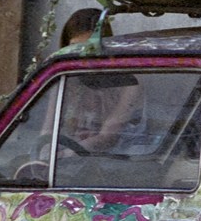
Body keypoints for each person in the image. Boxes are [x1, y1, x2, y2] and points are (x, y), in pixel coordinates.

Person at [58, 9, 143, 155]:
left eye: (91, 49)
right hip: (69, 155)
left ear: (105, 47)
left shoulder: (130, 80)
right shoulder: (61, 77)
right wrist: (45, 154)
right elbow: (47, 130)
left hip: (118, 158)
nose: (84, 56)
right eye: (76, 48)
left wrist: (64, 155)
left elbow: (108, 136)